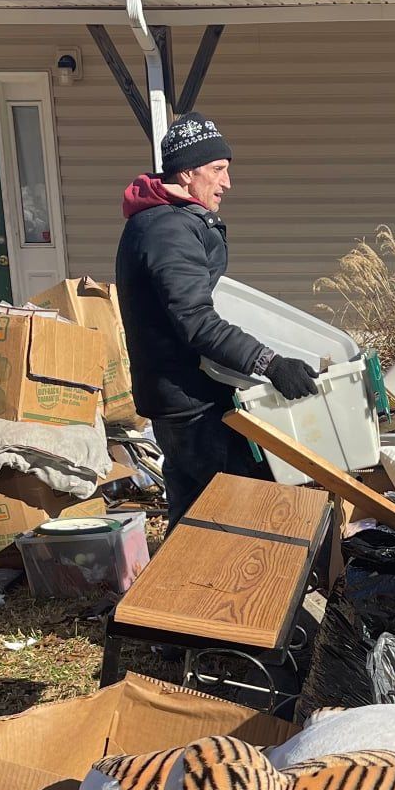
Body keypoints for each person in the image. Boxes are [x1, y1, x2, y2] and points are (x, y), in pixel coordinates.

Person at [115, 112, 319, 525]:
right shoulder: (168, 230)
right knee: (243, 512)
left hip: (175, 393)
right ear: (187, 173)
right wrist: (270, 364)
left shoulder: (160, 220)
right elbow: (195, 320)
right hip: (189, 400)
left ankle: (169, 589)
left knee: (192, 514)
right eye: (218, 170)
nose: (227, 183)